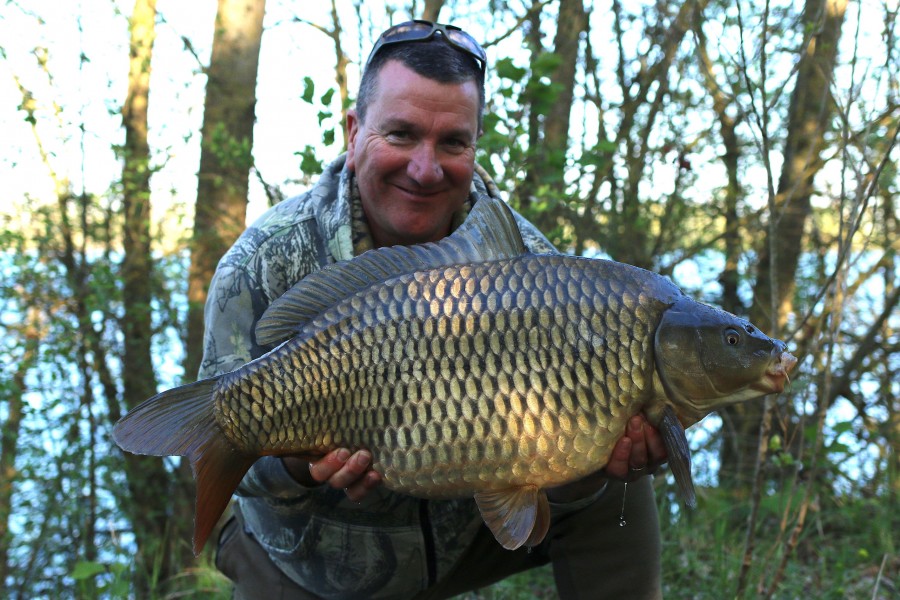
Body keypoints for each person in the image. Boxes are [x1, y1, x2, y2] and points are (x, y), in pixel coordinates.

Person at [200, 19, 667, 600]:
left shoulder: (529, 265)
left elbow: (562, 468)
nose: (426, 168)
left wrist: (596, 466)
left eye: (452, 142)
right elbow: (234, 469)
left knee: (624, 485)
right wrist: (299, 465)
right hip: (315, 555)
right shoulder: (263, 265)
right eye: (400, 135)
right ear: (353, 133)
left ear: (474, 145)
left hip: (463, 536)